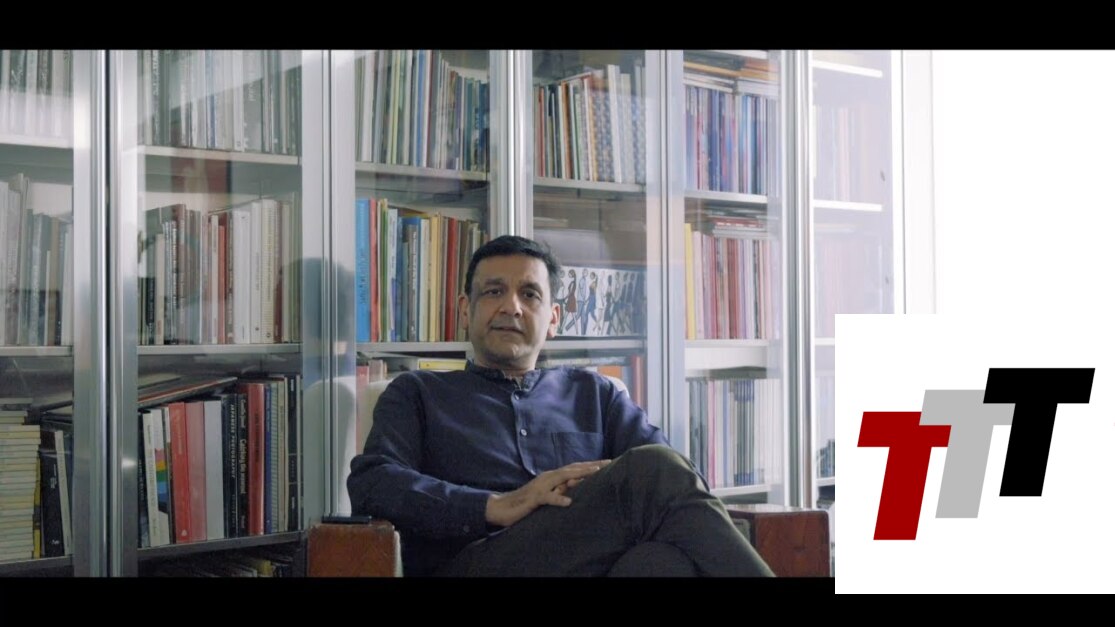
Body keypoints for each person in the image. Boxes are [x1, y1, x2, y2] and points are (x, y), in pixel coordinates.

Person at [347, 235, 774, 577]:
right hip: (476, 561)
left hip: (589, 562)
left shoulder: (595, 394)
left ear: (553, 319)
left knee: (662, 563)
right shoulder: (417, 392)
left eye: (529, 294)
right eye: (494, 291)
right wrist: (496, 504)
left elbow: (676, 484)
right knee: (656, 470)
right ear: (465, 311)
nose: (511, 306)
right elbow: (373, 484)